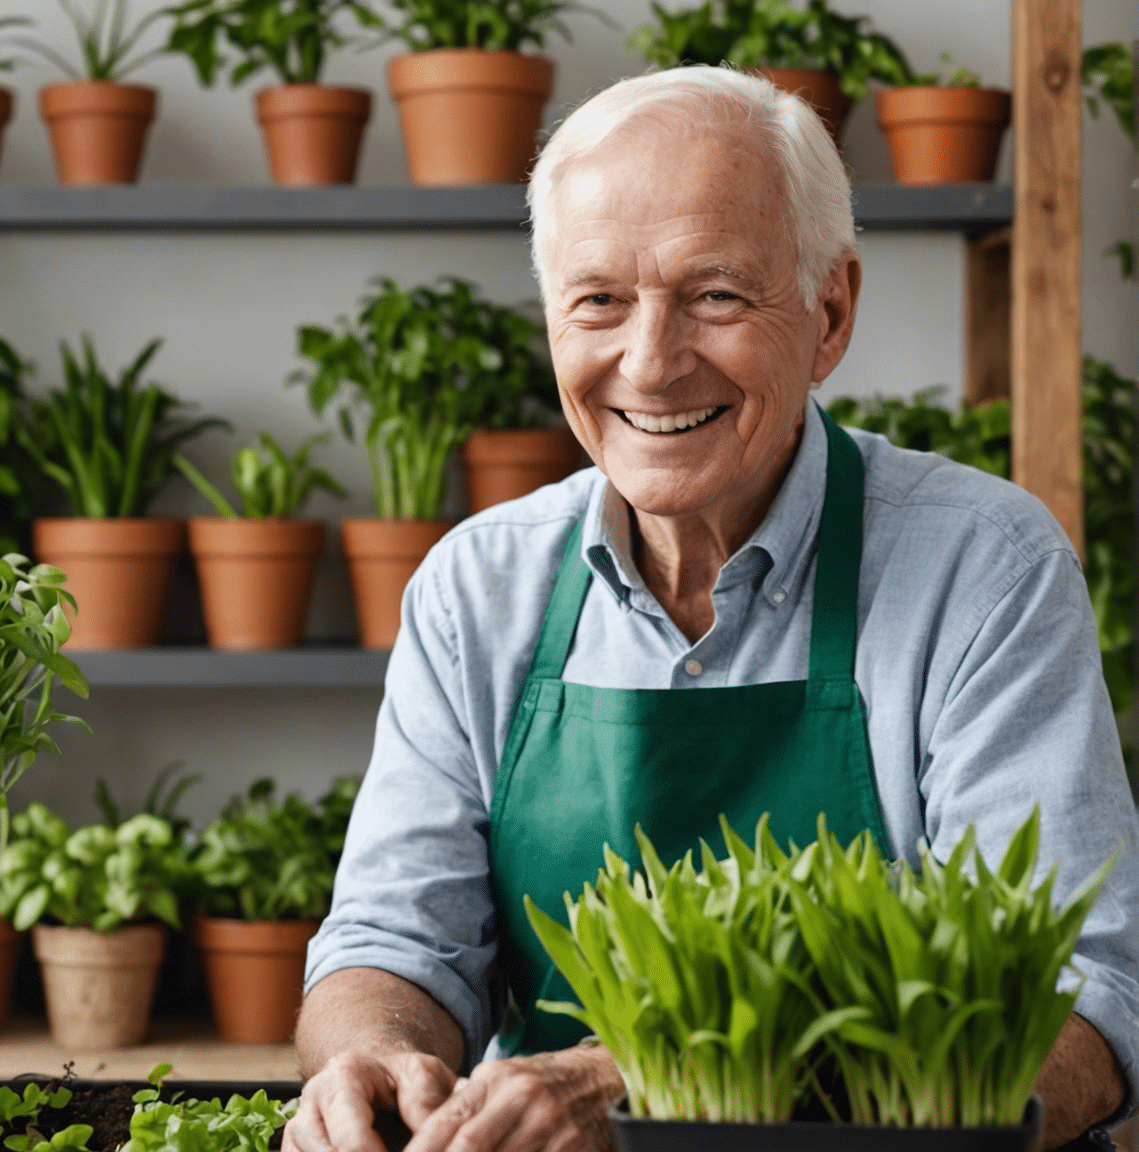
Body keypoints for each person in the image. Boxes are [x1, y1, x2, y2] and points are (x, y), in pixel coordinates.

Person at [290, 66, 1139, 1152]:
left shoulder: (984, 567)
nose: (650, 361)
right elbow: (391, 938)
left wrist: (660, 1088)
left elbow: (1083, 1009)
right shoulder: (477, 588)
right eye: (599, 299)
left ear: (830, 313)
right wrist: (372, 1054)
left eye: (716, 295)